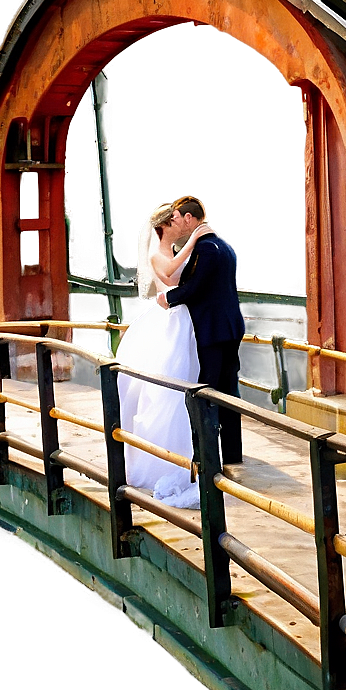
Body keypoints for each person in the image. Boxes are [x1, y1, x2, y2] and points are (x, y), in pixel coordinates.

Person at [115, 203, 214, 508]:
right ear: (163, 227)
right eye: (173, 221)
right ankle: (165, 462)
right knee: (170, 391)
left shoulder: (168, 250)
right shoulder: (159, 254)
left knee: (182, 387)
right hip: (173, 321)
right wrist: (195, 241)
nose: (178, 224)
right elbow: (171, 276)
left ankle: (183, 456)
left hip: (180, 320)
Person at [157, 196, 245, 468]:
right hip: (231, 327)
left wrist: (168, 299)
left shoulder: (206, 249)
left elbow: (196, 288)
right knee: (229, 389)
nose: (178, 225)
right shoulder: (224, 246)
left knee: (206, 390)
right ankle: (232, 452)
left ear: (189, 218)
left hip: (213, 330)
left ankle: (207, 455)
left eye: (179, 219)